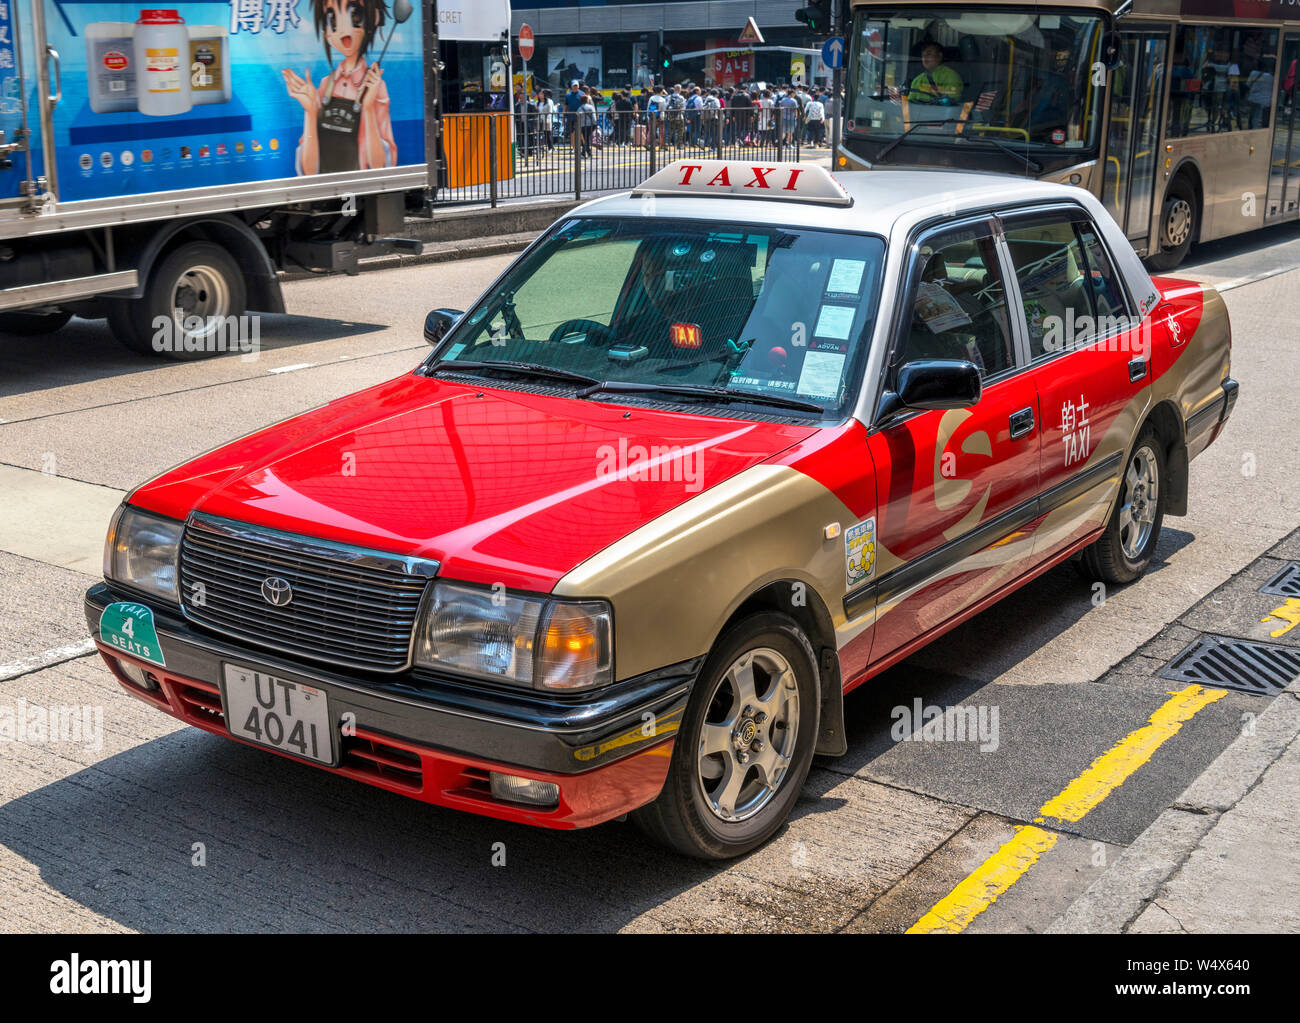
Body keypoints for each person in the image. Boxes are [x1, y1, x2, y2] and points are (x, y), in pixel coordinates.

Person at [283, 0, 398, 175]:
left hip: (358, 186)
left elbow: (380, 167)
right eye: (333, 20)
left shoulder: (376, 86)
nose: (343, 29)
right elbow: (309, 171)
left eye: (355, 15)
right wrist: (310, 113)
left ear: (373, 17)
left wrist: (367, 109)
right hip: (325, 186)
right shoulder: (325, 84)